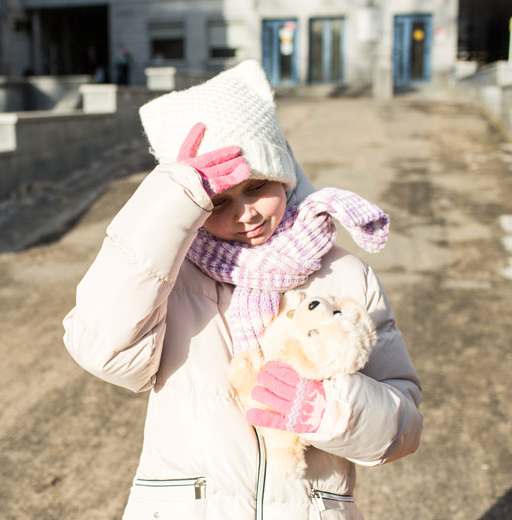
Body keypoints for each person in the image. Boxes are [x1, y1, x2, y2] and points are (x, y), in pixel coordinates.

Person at [62, 60, 422, 519]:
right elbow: (102, 351)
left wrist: (330, 411)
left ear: (283, 172)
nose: (245, 214)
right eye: (218, 202)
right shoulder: (168, 276)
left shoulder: (344, 275)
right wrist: (170, 201)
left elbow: (404, 425)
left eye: (256, 187)